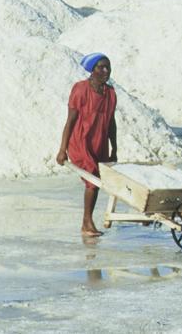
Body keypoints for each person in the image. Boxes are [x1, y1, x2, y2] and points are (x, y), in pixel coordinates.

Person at [56, 53, 118, 237]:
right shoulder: (81, 89)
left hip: (99, 143)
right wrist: (62, 150)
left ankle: (86, 221)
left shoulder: (110, 93)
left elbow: (111, 122)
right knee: (91, 178)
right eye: (101, 67)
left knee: (96, 181)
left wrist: (114, 147)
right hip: (81, 140)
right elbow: (70, 121)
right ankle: (87, 222)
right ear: (92, 70)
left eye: (108, 67)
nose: (105, 71)